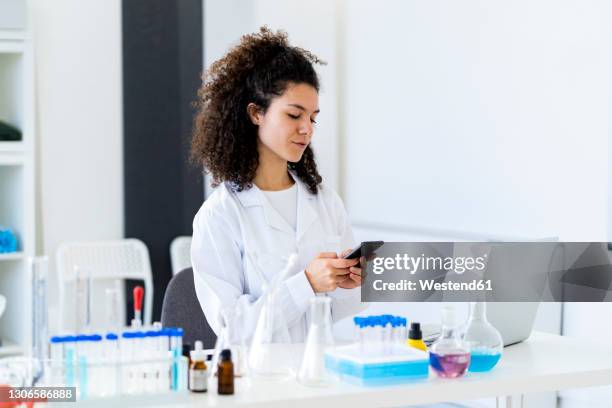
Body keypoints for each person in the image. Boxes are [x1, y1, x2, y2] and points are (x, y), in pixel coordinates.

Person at [190, 27, 366, 342]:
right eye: (294, 115)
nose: (306, 129)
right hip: (260, 384)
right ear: (256, 113)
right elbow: (232, 329)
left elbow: (336, 315)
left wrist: (348, 284)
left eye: (312, 118)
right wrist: (306, 284)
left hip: (324, 375)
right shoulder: (219, 215)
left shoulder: (324, 201)